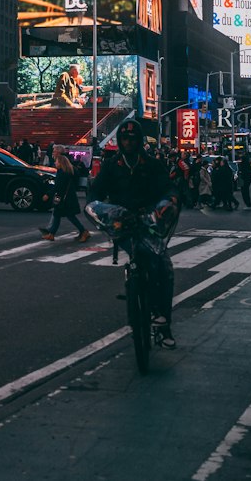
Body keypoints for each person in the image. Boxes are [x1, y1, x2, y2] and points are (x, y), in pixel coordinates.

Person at [89, 117, 180, 349]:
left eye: (132, 138)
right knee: (140, 258)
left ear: (139, 140)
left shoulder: (153, 165)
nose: (128, 142)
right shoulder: (111, 166)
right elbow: (95, 193)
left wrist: (169, 202)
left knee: (164, 267)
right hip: (124, 225)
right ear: (119, 141)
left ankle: (163, 323)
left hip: (150, 223)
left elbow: (169, 187)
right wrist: (100, 210)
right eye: (124, 138)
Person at [40, 148, 91, 242]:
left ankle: (83, 231)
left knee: (69, 216)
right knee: (57, 214)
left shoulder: (62, 173)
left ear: (61, 163)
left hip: (64, 198)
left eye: (56, 162)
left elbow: (58, 187)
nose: (55, 163)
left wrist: (48, 194)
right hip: (66, 197)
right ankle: (52, 233)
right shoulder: (67, 171)